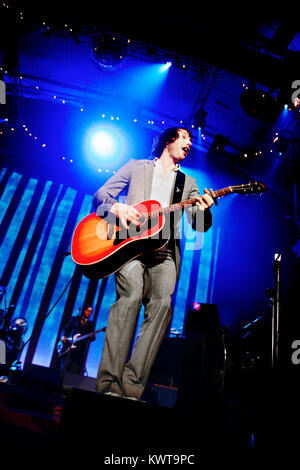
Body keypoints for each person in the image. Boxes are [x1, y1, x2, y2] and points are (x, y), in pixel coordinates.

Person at [93, 127, 214, 400]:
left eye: (191, 141)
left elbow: (199, 224)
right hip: (130, 250)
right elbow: (100, 198)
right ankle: (109, 386)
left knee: (162, 308)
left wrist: (205, 210)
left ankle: (132, 388)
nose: (190, 143)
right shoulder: (136, 167)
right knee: (130, 298)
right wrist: (116, 208)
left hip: (166, 254)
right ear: (169, 140)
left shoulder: (189, 182)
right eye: (185, 138)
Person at [58, 305, 96, 375]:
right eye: (88, 310)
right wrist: (63, 337)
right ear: (83, 310)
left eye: (91, 312)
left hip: (79, 353)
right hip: (69, 349)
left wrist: (92, 336)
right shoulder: (74, 319)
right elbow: (65, 329)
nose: (89, 313)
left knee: (73, 373)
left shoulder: (91, 324)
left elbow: (92, 338)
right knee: (63, 371)